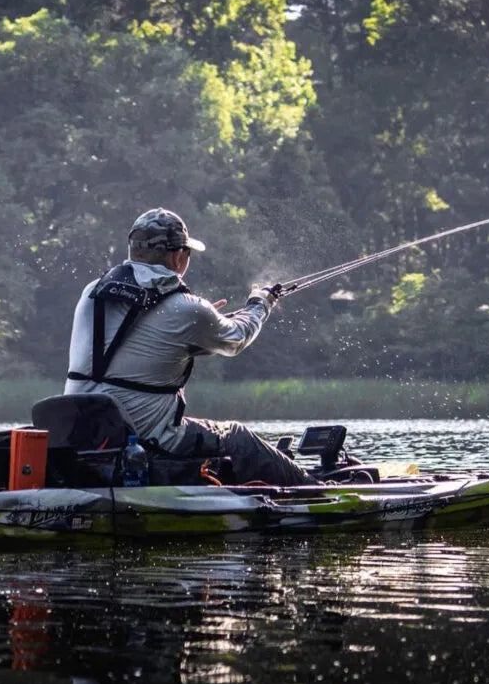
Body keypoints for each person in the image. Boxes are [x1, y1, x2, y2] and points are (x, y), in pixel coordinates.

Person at [64, 208, 319, 486]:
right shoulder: (186, 309)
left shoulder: (93, 291)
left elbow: (141, 350)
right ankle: (314, 489)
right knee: (235, 435)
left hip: (87, 432)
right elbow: (237, 339)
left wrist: (206, 324)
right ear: (177, 256)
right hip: (146, 438)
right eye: (187, 253)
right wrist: (260, 303)